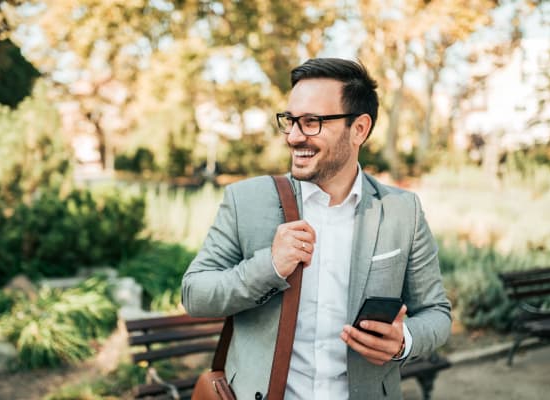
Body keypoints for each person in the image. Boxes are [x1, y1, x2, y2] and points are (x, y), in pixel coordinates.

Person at [182, 58, 451, 400]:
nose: (294, 136)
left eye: (312, 123)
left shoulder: (402, 211)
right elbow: (195, 293)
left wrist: (404, 340)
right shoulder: (244, 201)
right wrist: (269, 266)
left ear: (359, 129)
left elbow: (436, 313)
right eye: (290, 121)